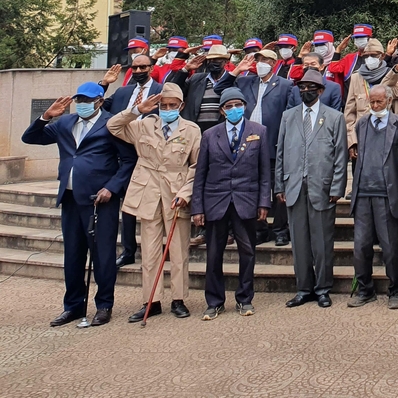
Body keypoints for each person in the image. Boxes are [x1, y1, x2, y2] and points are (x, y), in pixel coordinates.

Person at [22, 83, 137, 327]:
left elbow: (128, 160)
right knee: (73, 254)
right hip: (71, 198)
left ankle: (104, 305)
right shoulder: (66, 123)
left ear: (99, 100)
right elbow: (30, 138)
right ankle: (73, 306)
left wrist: (111, 188)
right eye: (79, 99)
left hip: (100, 200)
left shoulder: (111, 123)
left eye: (87, 99)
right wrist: (45, 117)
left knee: (103, 255)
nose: (82, 103)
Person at [107, 84, 200, 322]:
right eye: (163, 105)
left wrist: (186, 193)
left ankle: (178, 299)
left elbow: (196, 166)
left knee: (178, 249)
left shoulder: (191, 130)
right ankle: (151, 300)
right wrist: (137, 110)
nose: (167, 109)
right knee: (149, 251)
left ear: (181, 105)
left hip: (175, 192)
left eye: (172, 105)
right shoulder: (144, 124)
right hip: (148, 191)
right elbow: (113, 126)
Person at [192, 88, 271, 320]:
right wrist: (197, 207)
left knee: (247, 252)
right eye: (229, 106)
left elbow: (265, 171)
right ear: (222, 110)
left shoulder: (259, 131)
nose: (234, 109)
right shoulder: (210, 135)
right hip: (216, 200)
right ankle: (214, 301)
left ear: (244, 106)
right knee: (214, 254)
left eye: (238, 105)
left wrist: (263, 202)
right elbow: (200, 174)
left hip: (246, 200)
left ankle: (245, 299)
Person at [276, 70, 348, 309]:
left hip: (323, 187)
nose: (305, 91)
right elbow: (280, 154)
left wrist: (338, 186)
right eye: (302, 87)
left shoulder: (334, 117)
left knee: (322, 242)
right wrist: (280, 185)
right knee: (299, 241)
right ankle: (303, 288)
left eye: (310, 87)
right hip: (294, 185)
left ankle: (323, 288)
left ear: (320, 90)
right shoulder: (288, 116)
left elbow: (340, 155)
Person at [349, 85, 398, 309]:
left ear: (388, 100)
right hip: (363, 194)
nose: (375, 106)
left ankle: (394, 291)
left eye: (379, 102)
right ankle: (365, 290)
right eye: (372, 102)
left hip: (388, 194)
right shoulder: (362, 124)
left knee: (390, 247)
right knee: (361, 246)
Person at [219, 49, 294, 246]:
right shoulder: (245, 82)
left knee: (277, 188)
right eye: (258, 59)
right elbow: (221, 89)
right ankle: (260, 230)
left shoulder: (285, 85)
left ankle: (279, 230)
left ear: (274, 62)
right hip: (248, 144)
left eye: (265, 60)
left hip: (273, 143)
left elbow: (290, 114)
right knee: (253, 189)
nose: (260, 63)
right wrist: (237, 70)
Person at [102, 53, 162, 269]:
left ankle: (156, 250)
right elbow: (98, 106)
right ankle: (128, 251)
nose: (138, 71)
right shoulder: (123, 91)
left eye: (143, 67)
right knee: (128, 205)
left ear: (151, 67)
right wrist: (104, 84)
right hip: (124, 154)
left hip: (152, 154)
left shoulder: (161, 90)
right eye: (135, 68)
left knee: (155, 205)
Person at [344, 38, 391, 148]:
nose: (369, 59)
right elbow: (349, 113)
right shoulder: (356, 77)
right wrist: (352, 141)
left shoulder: (391, 75)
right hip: (362, 137)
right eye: (366, 56)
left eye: (373, 55)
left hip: (386, 136)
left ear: (382, 56)